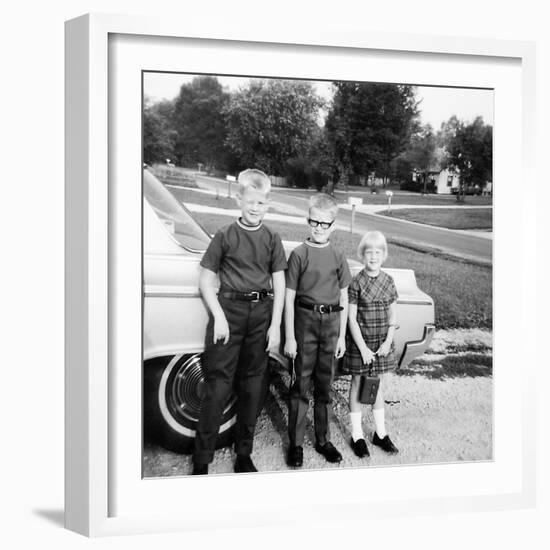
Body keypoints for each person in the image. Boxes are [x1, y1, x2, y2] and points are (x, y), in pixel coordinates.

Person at [191, 169, 287, 475]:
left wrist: (275, 326)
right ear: (239, 199)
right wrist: (218, 316)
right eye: (250, 201)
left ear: (267, 204)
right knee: (217, 387)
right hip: (229, 312)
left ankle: (244, 453)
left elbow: (280, 284)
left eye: (261, 203)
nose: (255, 207)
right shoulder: (225, 235)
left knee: (253, 386)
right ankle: (202, 459)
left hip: (260, 315)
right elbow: (206, 281)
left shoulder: (272, 238)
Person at [284, 193, 351, 467]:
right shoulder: (299, 254)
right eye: (314, 221)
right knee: (301, 384)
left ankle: (323, 440)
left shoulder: (337, 255)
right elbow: (288, 297)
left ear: (333, 225)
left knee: (324, 386)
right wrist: (289, 335)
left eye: (325, 223)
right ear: (308, 220)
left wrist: (342, 336)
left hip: (331, 325)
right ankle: (296, 444)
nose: (319, 228)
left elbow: (345, 297)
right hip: (304, 323)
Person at [341, 230, 399, 458]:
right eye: (368, 252)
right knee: (357, 383)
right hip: (360, 344)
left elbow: (393, 316)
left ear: (383, 255)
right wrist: (363, 349)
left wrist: (388, 342)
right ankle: (357, 435)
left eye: (377, 252)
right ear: (362, 255)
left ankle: (380, 433)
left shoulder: (388, 281)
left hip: (381, 343)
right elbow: (351, 318)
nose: (373, 257)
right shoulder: (356, 283)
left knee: (378, 386)